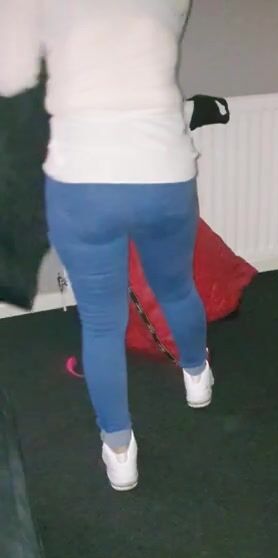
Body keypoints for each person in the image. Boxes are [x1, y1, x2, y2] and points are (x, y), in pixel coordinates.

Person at [0, 0, 214, 492]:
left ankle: (119, 452)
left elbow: (11, 76)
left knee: (101, 322)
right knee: (177, 288)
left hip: (82, 179)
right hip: (163, 170)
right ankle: (196, 376)